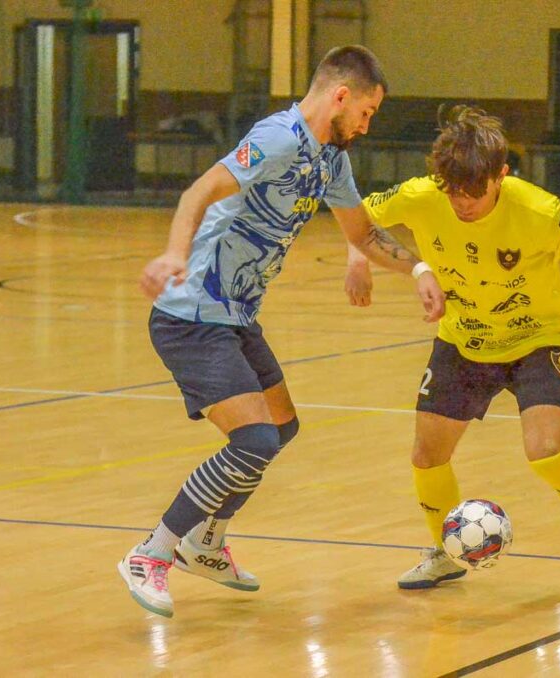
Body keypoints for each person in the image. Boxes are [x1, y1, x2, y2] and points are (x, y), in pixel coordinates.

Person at [118, 45, 446, 618]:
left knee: (281, 427)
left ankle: (206, 542)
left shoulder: (332, 161)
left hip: (236, 317)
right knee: (254, 441)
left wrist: (418, 270)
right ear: (340, 96)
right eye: (366, 112)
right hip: (191, 316)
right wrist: (173, 253)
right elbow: (197, 192)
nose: (367, 126)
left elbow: (364, 235)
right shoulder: (276, 139)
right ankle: (153, 552)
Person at [346, 106, 560, 589]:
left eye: (475, 191)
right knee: (427, 456)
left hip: (539, 336)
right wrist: (358, 259)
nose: (462, 202)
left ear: (502, 175)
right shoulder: (423, 195)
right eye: (453, 190)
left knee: (544, 451)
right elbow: (357, 217)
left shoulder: (540, 211)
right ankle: (447, 551)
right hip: (464, 339)